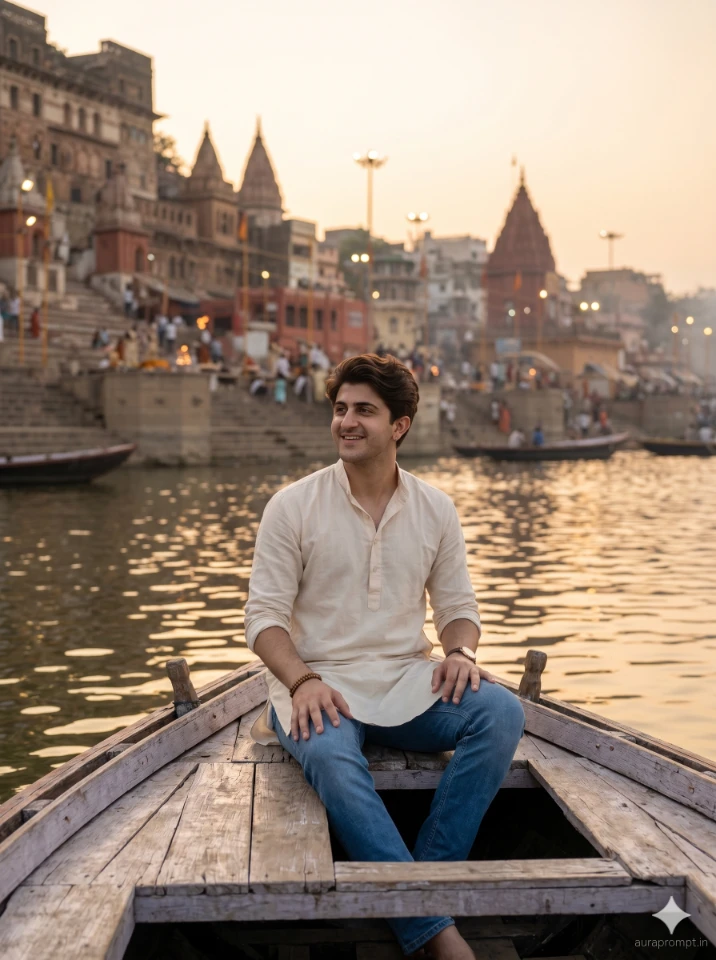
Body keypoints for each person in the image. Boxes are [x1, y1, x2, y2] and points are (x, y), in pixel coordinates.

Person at [245, 354, 525, 960]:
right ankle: (435, 932)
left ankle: (420, 889)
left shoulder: (436, 509)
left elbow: (459, 606)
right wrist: (302, 682)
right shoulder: (291, 507)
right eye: (340, 409)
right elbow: (263, 620)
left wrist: (460, 650)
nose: (346, 422)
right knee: (331, 755)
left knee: (501, 714)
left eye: (363, 411)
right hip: (317, 684)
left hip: (407, 679)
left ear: (399, 425)